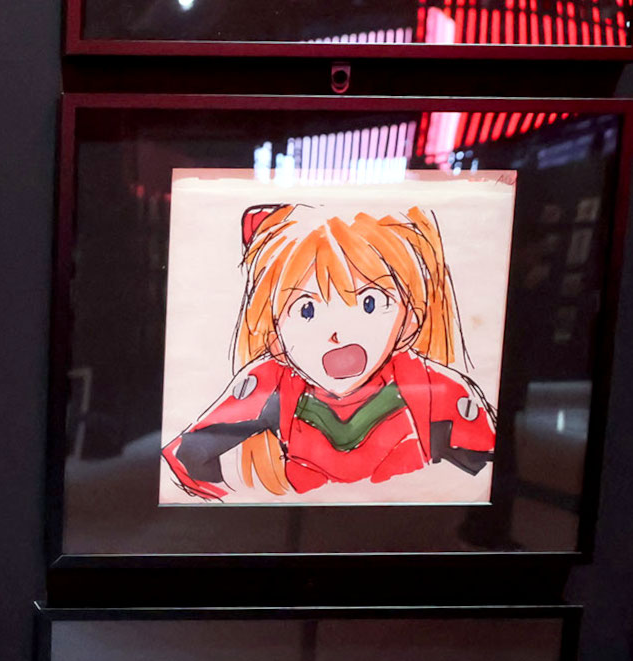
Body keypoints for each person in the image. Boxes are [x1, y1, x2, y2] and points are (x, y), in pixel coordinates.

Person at [162, 204, 496, 499]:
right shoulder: (271, 385)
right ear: (274, 335)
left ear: (409, 321)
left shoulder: (435, 389)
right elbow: (187, 454)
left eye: (370, 302)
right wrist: (237, 512)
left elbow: (485, 477)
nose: (338, 333)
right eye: (306, 309)